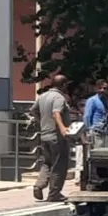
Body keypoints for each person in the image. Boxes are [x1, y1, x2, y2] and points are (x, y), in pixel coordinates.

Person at [32, 74, 72, 203]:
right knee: (59, 165)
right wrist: (63, 128)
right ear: (63, 85)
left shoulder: (42, 96)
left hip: (44, 135)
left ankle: (39, 185)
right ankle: (54, 193)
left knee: (47, 162)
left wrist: (42, 122)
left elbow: (33, 110)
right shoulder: (59, 97)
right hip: (56, 137)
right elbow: (56, 113)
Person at [82, 79, 108, 146]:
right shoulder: (92, 100)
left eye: (105, 88)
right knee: (97, 152)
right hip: (95, 131)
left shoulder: (104, 101)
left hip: (103, 132)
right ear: (96, 88)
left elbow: (107, 117)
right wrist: (88, 131)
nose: (102, 90)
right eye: (100, 88)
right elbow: (87, 116)